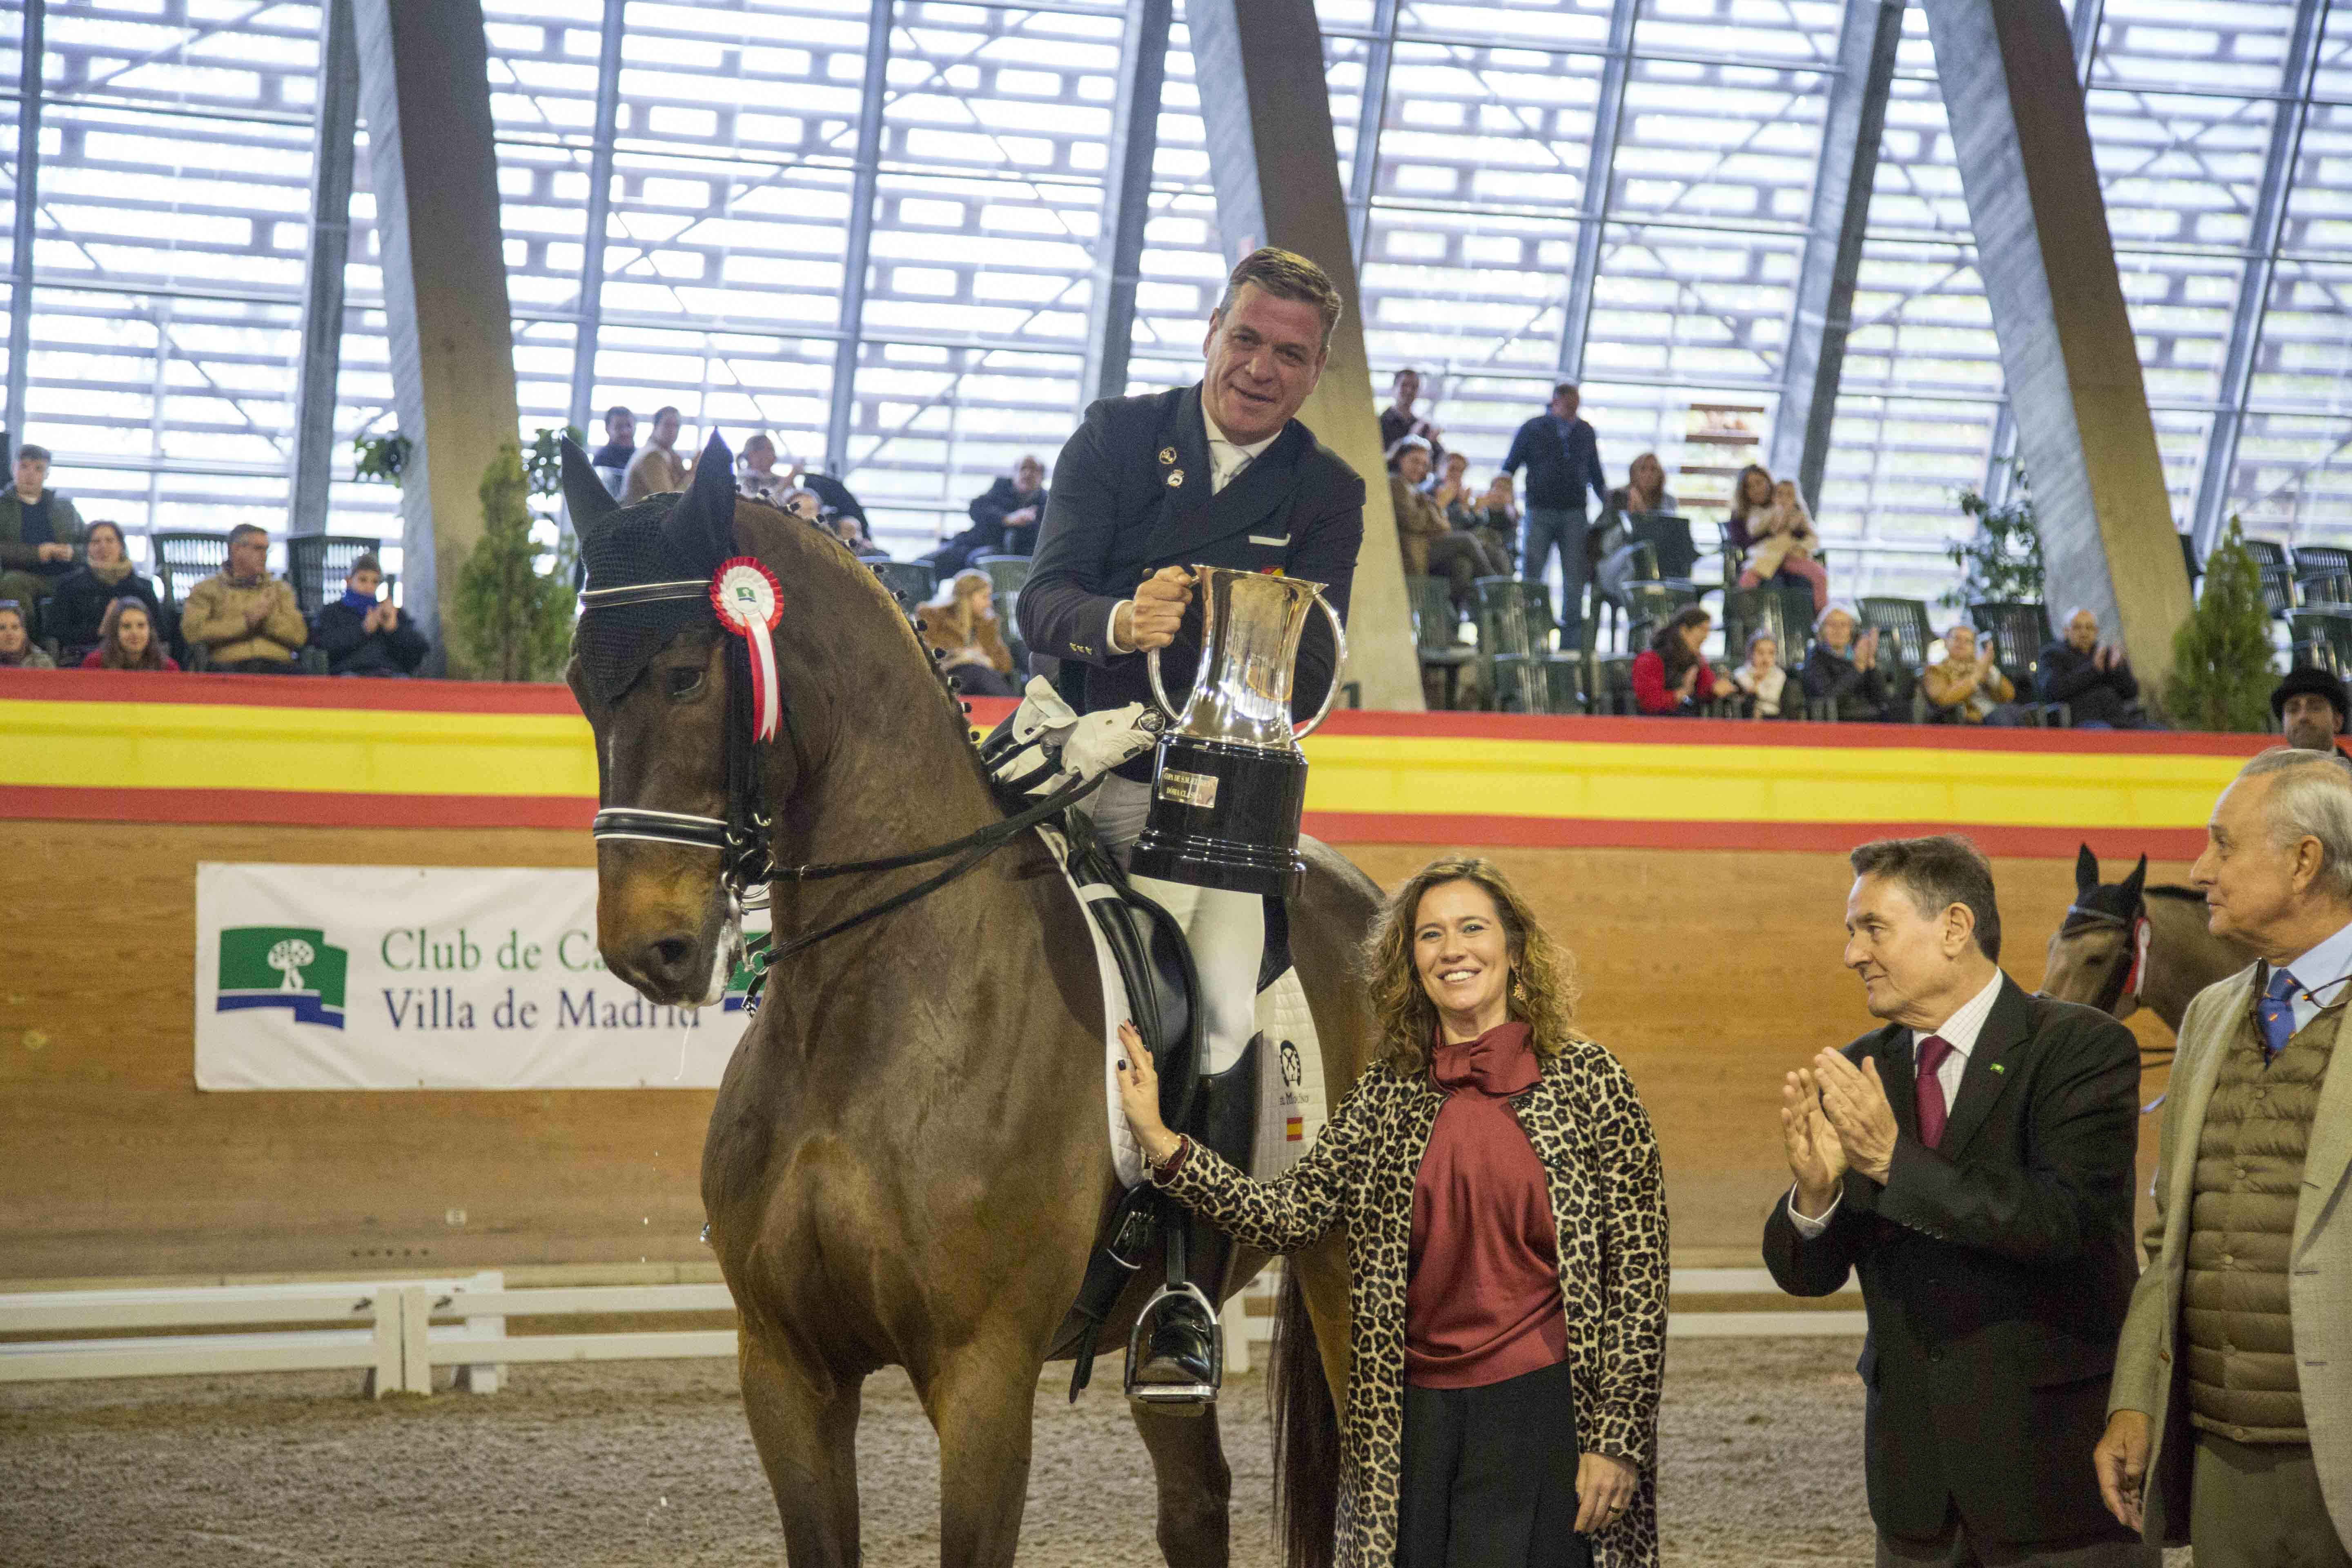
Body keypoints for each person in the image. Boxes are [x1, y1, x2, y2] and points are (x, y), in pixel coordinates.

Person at [1020, 246, 1364, 1398]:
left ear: (1316, 373)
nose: (1262, 369)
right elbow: (1042, 598)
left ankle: (1175, 1280)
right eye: (1248, 340)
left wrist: (1218, 627)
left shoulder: (1330, 494)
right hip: (1072, 743)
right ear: (1214, 328)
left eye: (1292, 356)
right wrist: (1122, 620)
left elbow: (1314, 653)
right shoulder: (1117, 437)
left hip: (1215, 793)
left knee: (1219, 1005)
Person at [1115, 855, 1667, 1568]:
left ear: (1515, 950)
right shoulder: (1387, 1095)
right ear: (1411, 964)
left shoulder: (1594, 1084)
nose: (1453, 949)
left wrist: (1615, 1441)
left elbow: (1639, 1285)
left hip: (1543, 1414)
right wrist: (1164, 1145)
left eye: (1472, 928)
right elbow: (1288, 1216)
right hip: (1406, 1426)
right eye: (1430, 936)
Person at [1766, 835, 2154, 1568]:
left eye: (1871, 928)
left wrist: (1891, 1162)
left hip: (2056, 1485)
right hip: (1916, 1499)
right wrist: (1814, 1197)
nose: (1853, 954)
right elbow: (1808, 1274)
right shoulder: (1862, 1066)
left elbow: (2059, 1222)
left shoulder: (2081, 1049)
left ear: (1953, 928)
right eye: (1852, 932)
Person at [2094, 748, 2352, 1568]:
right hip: (2222, 1458)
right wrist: (2136, 1398)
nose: (2200, 869)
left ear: (2306, 861)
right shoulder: (2209, 1014)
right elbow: (2170, 1238)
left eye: (2223, 845)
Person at [1501, 384, 1610, 650]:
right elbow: (1509, 468)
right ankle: (1531, 640)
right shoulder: (1533, 428)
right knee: (1533, 576)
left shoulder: (1585, 431)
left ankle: (1569, 648)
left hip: (1575, 514)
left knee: (1575, 580)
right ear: (1556, 401)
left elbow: (1596, 475)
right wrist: (1509, 503)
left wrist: (1611, 504)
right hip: (1539, 511)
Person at [179, 524, 306, 673]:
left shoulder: (280, 590)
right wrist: (246, 622)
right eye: (258, 549)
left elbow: (299, 637)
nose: (264, 556)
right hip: (229, 666)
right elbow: (193, 633)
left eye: (267, 549)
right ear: (237, 550)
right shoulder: (206, 589)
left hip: (278, 665)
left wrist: (269, 619)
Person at [1393, 437, 1497, 614]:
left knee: (1462, 565)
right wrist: (1440, 505)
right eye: (1415, 461)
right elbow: (1415, 522)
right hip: (1412, 551)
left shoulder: (1416, 490)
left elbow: (1443, 527)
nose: (1419, 468)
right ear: (1401, 459)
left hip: (1429, 547)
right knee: (1467, 540)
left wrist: (1467, 508)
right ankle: (1495, 588)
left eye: (1424, 464)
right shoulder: (1397, 485)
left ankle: (1452, 627)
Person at [45, 520, 161, 664]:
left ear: (122, 547)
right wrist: (100, 631)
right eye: (96, 542)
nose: (103, 547)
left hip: (138, 661)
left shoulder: (143, 588)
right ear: (88, 549)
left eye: (110, 541)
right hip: (84, 659)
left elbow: (161, 630)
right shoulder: (69, 586)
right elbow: (56, 631)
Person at [923, 455, 1049, 575]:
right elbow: (977, 508)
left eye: (1034, 469)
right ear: (1015, 473)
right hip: (975, 544)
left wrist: (1027, 522)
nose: (1027, 473)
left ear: (1042, 477)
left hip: (1009, 557)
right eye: (1023, 468)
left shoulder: (1047, 502)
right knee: (928, 563)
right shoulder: (1001, 488)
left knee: (977, 562)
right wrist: (1007, 519)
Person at [0, 443, 87, 613]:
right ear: (13, 468)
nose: (30, 475)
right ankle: (29, 639)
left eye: (38, 469)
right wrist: (36, 553)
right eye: (24, 467)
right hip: (23, 576)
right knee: (13, 582)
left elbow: (90, 547)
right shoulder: (2, 508)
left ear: (47, 474)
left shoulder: (66, 508)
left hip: (66, 576)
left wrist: (72, 552)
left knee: (91, 582)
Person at [310, 552, 428, 677]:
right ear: (349, 581)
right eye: (363, 580)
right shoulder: (332, 612)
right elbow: (322, 646)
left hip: (390, 677)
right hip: (348, 676)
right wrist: (363, 630)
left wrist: (394, 630)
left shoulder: (392, 613)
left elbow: (418, 652)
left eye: (375, 582)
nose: (369, 586)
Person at [915, 569, 1018, 698]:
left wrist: (980, 659)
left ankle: (1011, 710)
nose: (989, 603)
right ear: (969, 597)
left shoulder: (987, 624)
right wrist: (961, 656)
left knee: (983, 674)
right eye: (985, 597)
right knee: (977, 673)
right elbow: (929, 654)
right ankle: (1014, 712)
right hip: (946, 677)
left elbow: (1005, 664)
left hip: (981, 677)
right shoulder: (934, 618)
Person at [2038, 608, 2144, 729]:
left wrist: (2118, 669)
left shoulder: (2106, 654)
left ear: (2096, 632)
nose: (2084, 633)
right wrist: (2093, 669)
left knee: (2158, 732)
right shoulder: (2053, 655)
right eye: (2077, 627)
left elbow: (2131, 693)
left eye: (2089, 628)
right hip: (2079, 723)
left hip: (2119, 720)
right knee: (2104, 733)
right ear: (2066, 631)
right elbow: (2054, 691)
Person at [1738, 477, 1830, 615]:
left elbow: (1814, 538)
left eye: (1789, 495)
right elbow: (1754, 529)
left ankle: (1822, 616)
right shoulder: (1764, 512)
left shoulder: (1800, 515)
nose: (1784, 498)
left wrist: (1801, 547)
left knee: (1820, 575)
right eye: (1780, 494)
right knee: (1749, 578)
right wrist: (1776, 516)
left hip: (1792, 557)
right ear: (1773, 496)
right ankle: (1744, 616)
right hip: (1768, 557)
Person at [1630, 605, 1728, 716]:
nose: (1706, 636)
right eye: (1702, 629)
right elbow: (1650, 703)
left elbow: (1706, 687)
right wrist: (1682, 693)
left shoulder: (1696, 659)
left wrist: (1715, 689)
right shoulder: (1650, 659)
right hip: (1654, 724)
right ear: (1684, 630)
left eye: (1708, 630)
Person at [1803, 604, 1893, 723]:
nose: (1838, 630)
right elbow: (1829, 701)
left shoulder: (1859, 654)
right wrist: (1858, 668)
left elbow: (1882, 698)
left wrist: (1870, 663)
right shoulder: (1815, 659)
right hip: (1839, 723)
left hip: (1870, 721)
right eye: (1832, 625)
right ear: (1821, 630)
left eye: (1844, 625)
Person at [1924, 623, 2027, 726]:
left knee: (2015, 711)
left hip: (2000, 715)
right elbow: (1944, 699)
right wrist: (1976, 676)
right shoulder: (1936, 670)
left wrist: (1991, 671)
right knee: (2005, 714)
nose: (1962, 644)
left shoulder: (1982, 666)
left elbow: (2009, 696)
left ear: (1974, 647)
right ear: (1946, 643)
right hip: (1972, 721)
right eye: (1957, 639)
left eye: (1968, 641)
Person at [80, 597, 177, 671]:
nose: (135, 633)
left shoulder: (168, 668)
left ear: (150, 630)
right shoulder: (94, 664)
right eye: (126, 626)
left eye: (141, 626)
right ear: (115, 632)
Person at [2271, 664, 2349, 754]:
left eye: (2316, 708)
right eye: (2293, 710)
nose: (2303, 717)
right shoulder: (2264, 768)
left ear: (2337, 721)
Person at [620, 406, 690, 503]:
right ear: (656, 426)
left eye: (676, 426)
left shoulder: (669, 455)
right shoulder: (652, 456)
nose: (672, 430)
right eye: (668, 425)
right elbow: (671, 502)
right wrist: (694, 474)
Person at [1379, 367, 1443, 471]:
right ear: (1394, 388)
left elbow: (1439, 463)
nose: (1409, 391)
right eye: (1404, 385)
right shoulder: (1379, 423)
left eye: (1414, 387)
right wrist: (1411, 437)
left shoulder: (1423, 426)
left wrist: (1431, 442)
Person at [1463, 472, 1520, 572]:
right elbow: (1471, 530)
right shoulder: (1480, 510)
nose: (1500, 493)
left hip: (1502, 558)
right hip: (1479, 551)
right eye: (1498, 488)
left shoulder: (1510, 517)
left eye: (1506, 490)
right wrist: (1478, 511)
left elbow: (1509, 546)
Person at [1731, 628, 1794, 719]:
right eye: (1761, 653)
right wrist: (1756, 682)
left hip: (1776, 722)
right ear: (1750, 653)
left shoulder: (1781, 676)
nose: (1766, 659)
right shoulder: (1740, 676)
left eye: (1771, 653)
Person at [0, 599, 54, 667]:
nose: (10, 634)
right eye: (2, 628)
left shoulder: (42, 664)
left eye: (15, 628)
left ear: (24, 633)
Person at [589, 405, 637, 471]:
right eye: (619, 427)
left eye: (629, 426)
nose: (625, 432)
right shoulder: (601, 460)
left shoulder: (641, 458)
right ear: (607, 429)